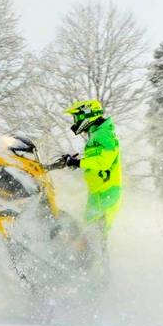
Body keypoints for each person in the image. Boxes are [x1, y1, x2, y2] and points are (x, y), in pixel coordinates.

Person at [49, 99, 122, 240]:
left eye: (76, 117)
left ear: (87, 115)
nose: (75, 122)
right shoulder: (97, 133)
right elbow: (97, 157)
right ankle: (84, 260)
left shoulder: (103, 134)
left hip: (106, 193)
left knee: (95, 236)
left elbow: (104, 161)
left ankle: (97, 262)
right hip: (98, 192)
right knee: (88, 235)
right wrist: (74, 160)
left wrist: (78, 162)